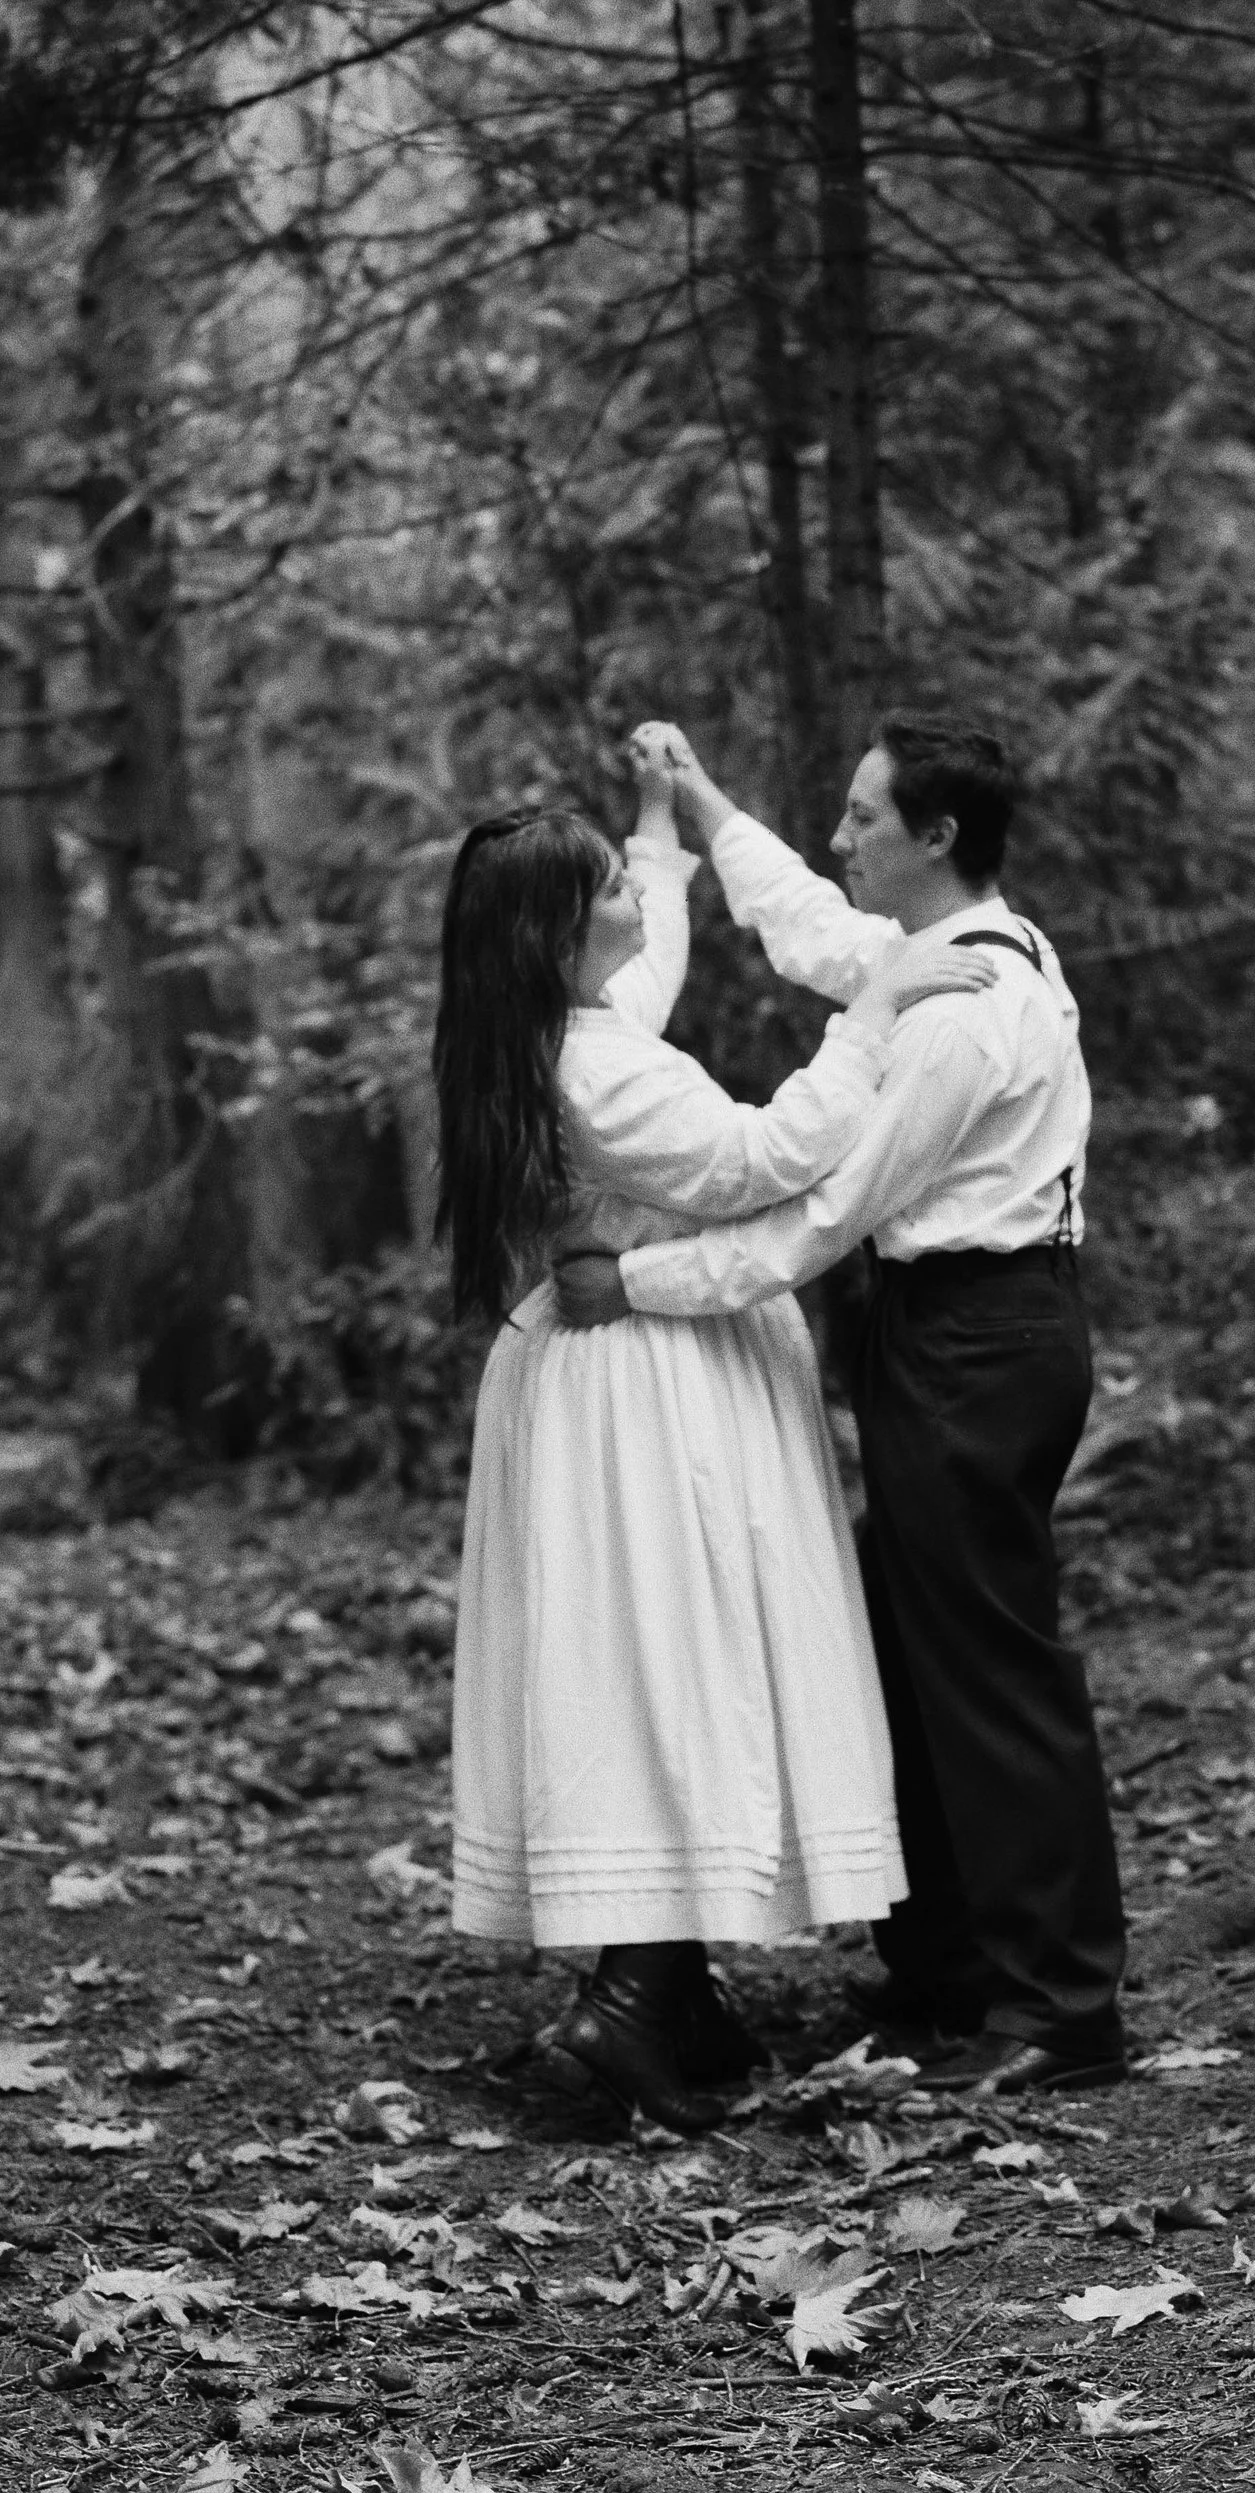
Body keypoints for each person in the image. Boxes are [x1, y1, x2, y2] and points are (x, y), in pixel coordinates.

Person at [554, 714, 1127, 2097]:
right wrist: (697, 805)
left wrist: (639, 1279)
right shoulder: (937, 951)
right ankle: (945, 1967)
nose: (840, 833)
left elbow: (813, 1217)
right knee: (919, 1647)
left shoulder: (963, 1013)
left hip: (985, 1335)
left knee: (992, 1667)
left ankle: (1061, 2004)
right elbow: (811, 929)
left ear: (935, 838)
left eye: (866, 815)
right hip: (942, 1332)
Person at [432, 733, 997, 2134]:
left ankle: (665, 1986)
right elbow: (761, 1157)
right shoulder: (599, 1071)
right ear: (560, 934)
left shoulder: (564, 1026)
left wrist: (661, 821)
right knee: (668, 1655)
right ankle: (636, 1994)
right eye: (607, 887)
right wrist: (875, 1003)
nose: (631, 894)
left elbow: (652, 948)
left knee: (651, 1656)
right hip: (651, 1386)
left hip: (619, 1365)